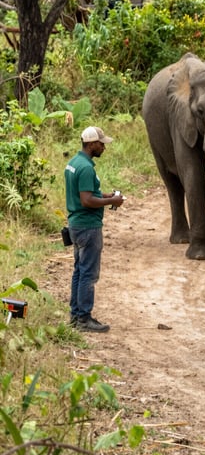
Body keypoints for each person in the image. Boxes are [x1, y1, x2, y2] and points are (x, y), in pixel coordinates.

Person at [65, 126, 126, 332]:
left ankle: (75, 315)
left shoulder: (73, 163)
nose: (103, 147)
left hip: (76, 224)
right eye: (101, 144)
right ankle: (84, 319)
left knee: (79, 272)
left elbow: (88, 194)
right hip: (88, 227)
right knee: (89, 274)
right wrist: (114, 201)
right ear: (91, 144)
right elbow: (86, 200)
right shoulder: (86, 168)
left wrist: (107, 196)